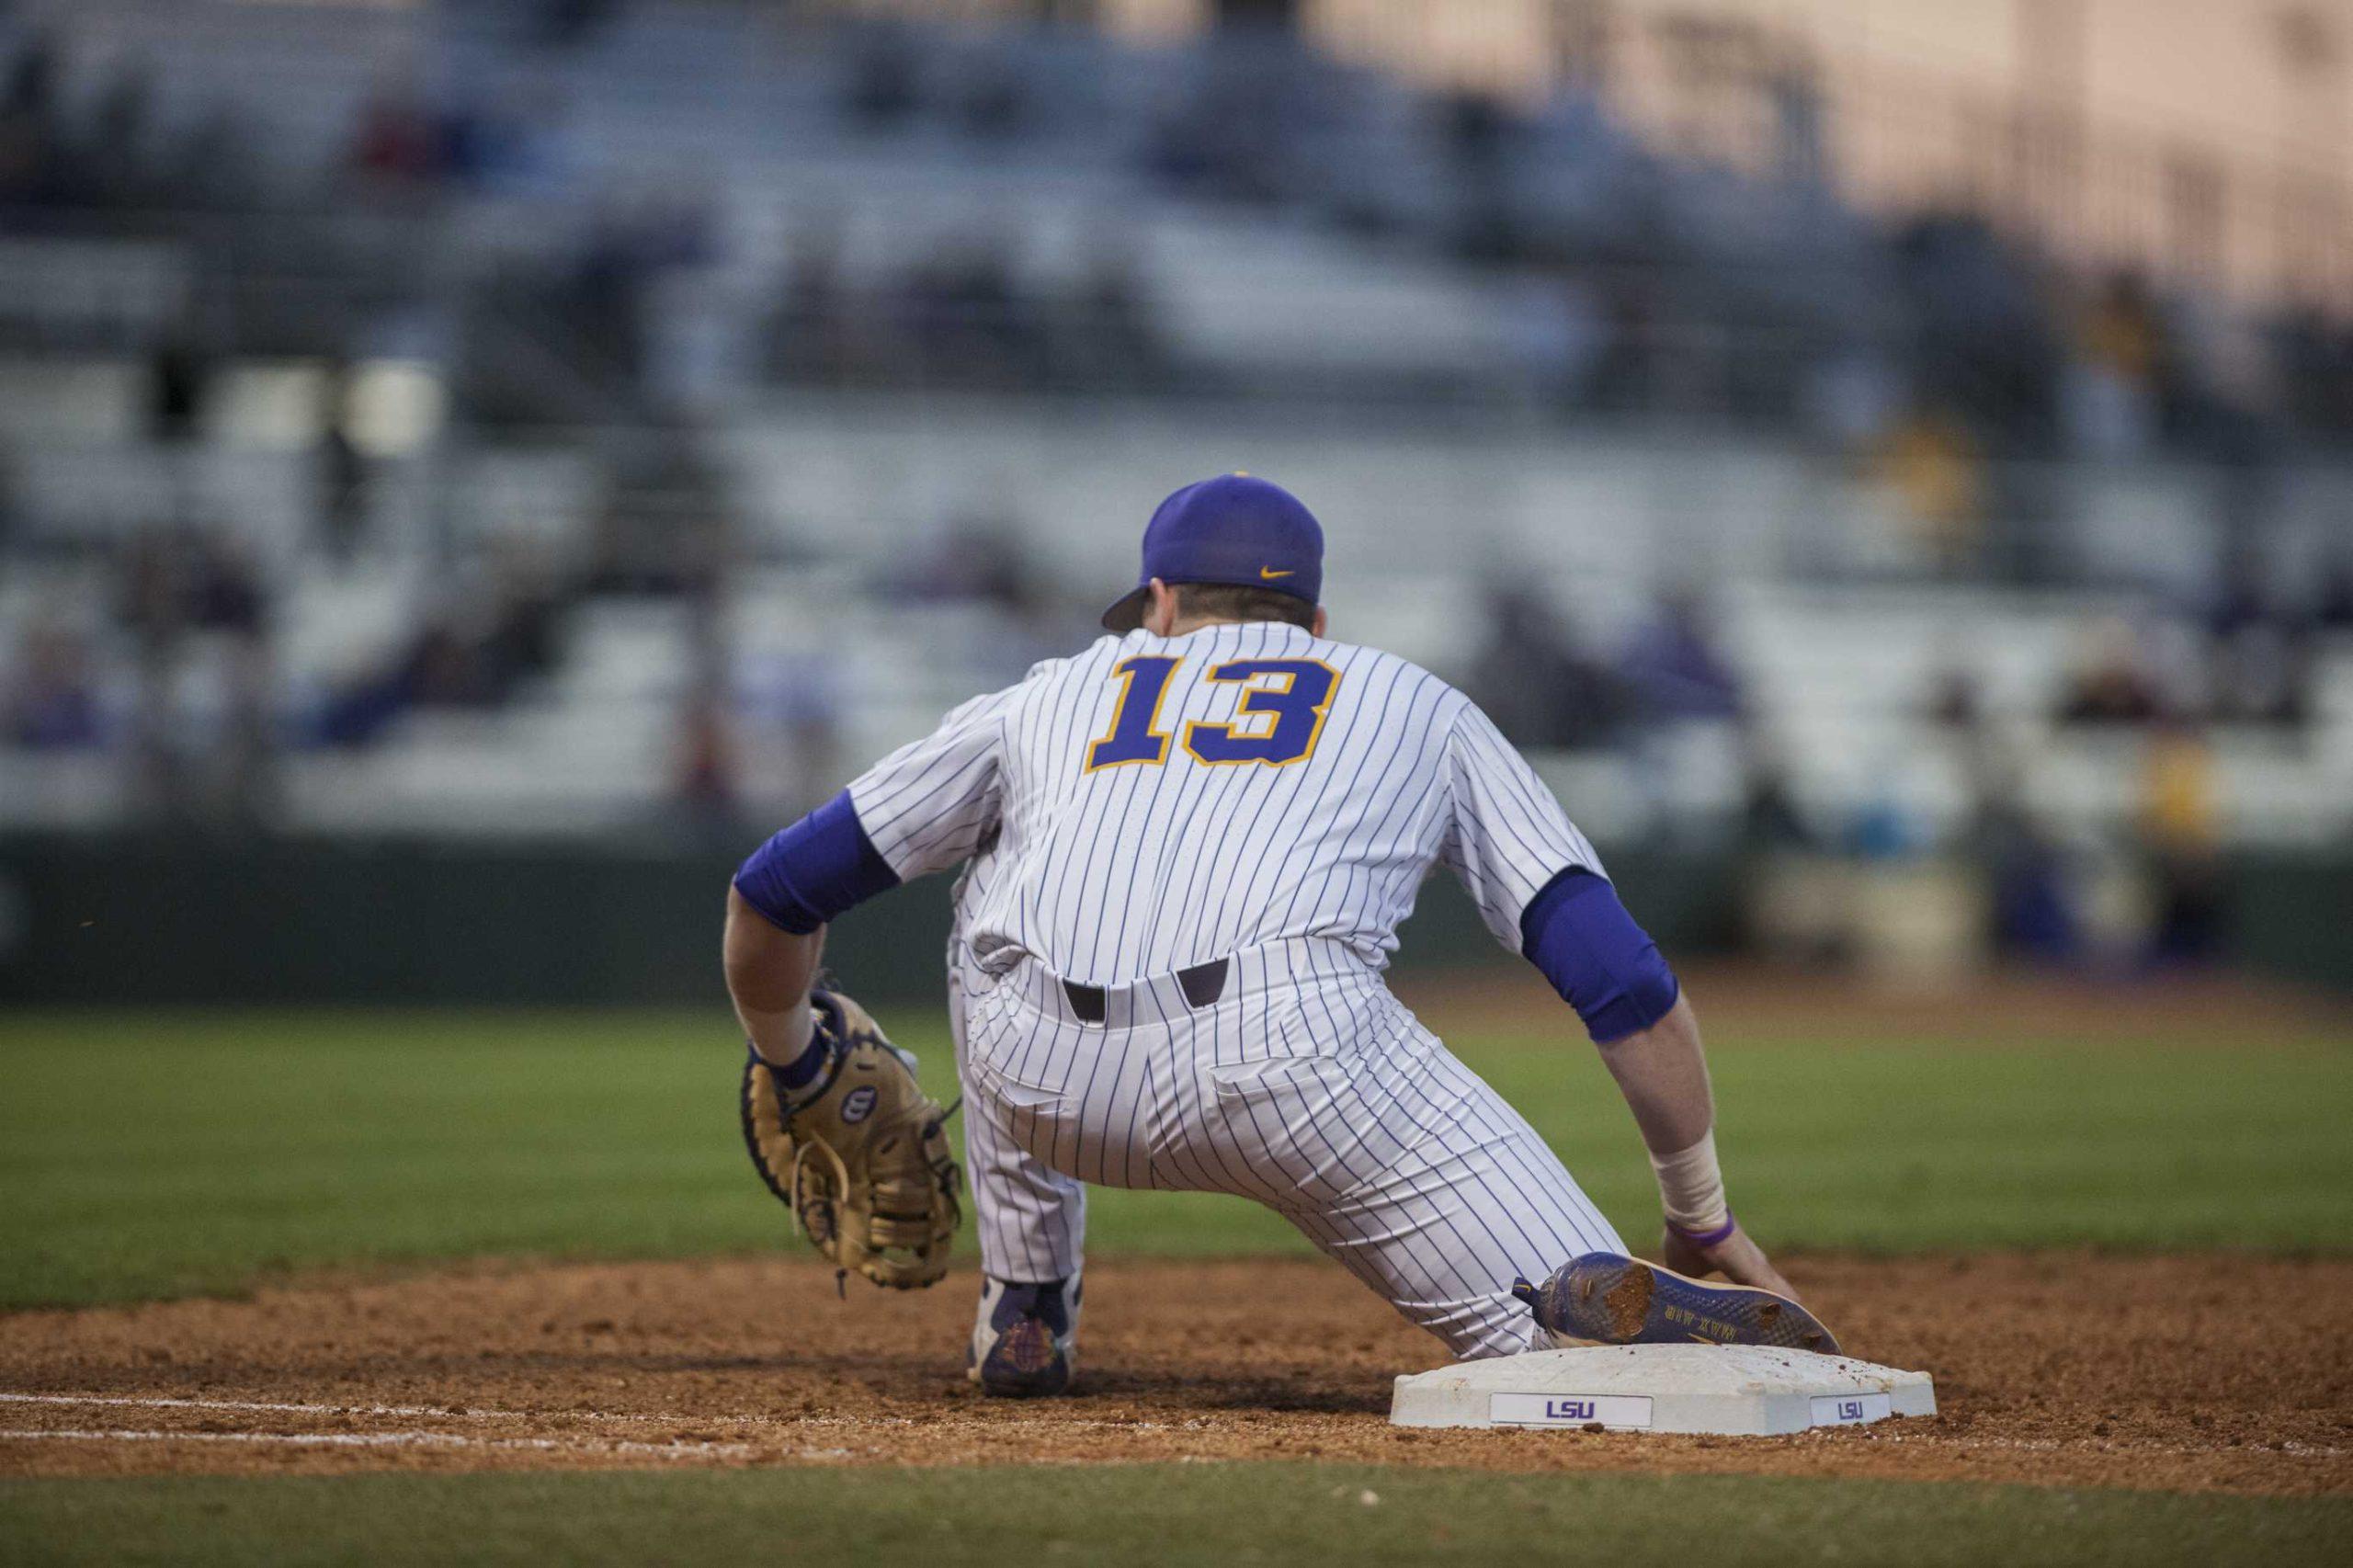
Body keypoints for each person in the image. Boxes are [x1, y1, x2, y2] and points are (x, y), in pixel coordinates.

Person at [722, 475, 1832, 1398]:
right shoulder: (1409, 699)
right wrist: (1697, 1213)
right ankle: (1577, 1311)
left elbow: (773, 891)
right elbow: (1619, 978)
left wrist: (796, 1058)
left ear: (1156, 603)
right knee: (1608, 1370)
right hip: (1294, 1065)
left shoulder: (1046, 696)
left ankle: (1025, 1302)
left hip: (1040, 1074)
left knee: (992, 890)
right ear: (1315, 626)